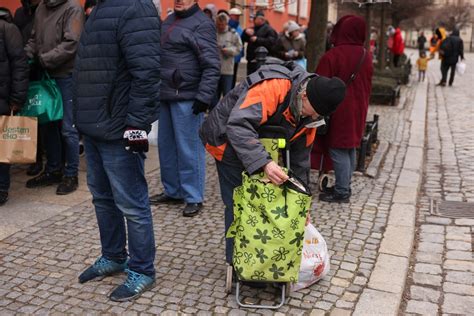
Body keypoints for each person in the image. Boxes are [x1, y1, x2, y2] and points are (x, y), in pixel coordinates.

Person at [200, 59, 346, 266]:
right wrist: (265, 164)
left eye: (317, 115)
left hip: (260, 144)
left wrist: (302, 204)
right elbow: (238, 126)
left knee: (267, 203)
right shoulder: (275, 86)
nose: (311, 117)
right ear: (303, 95)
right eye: (310, 111)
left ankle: (263, 261)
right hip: (225, 140)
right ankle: (237, 263)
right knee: (238, 203)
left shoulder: (312, 115)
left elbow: (300, 162)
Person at [73, 0, 160, 302]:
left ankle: (142, 269)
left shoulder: (136, 7)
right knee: (102, 198)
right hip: (95, 124)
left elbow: (147, 73)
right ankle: (113, 255)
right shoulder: (100, 7)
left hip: (119, 126)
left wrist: (136, 124)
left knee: (132, 204)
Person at [150, 0, 220, 217]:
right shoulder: (169, 20)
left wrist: (204, 96)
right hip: (166, 94)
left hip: (187, 96)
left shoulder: (202, 24)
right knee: (167, 147)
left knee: (189, 149)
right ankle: (173, 191)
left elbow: (212, 64)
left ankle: (193, 196)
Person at [311, 15, 373, 203]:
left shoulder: (333, 55)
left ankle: (342, 191)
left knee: (338, 148)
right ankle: (344, 185)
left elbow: (318, 85)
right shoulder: (366, 55)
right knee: (350, 148)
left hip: (339, 109)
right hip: (359, 107)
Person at [24, 0, 84, 195]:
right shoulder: (41, 7)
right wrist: (24, 57)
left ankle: (70, 174)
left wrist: (44, 59)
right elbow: (34, 38)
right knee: (47, 123)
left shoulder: (73, 8)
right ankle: (53, 169)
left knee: (68, 128)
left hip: (66, 75)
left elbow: (71, 42)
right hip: (45, 74)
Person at [0, 8, 29, 206]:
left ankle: (2, 188)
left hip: (2, 99)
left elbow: (20, 64)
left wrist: (17, 98)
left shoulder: (7, 29)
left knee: (2, 149)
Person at [13, 0, 44, 177]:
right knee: (29, 116)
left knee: (43, 114)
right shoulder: (19, 13)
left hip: (42, 67)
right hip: (24, 68)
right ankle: (35, 157)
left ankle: (49, 159)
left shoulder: (44, 10)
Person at [216, 12, 242, 103]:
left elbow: (239, 48)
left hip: (227, 69)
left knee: (226, 95)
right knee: (214, 96)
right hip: (214, 69)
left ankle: (224, 114)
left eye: (222, 25)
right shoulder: (213, 33)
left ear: (226, 23)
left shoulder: (233, 34)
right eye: (218, 24)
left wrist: (228, 50)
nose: (220, 27)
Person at [241, 10, 278, 75]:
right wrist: (245, 32)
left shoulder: (269, 30)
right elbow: (243, 39)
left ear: (261, 19)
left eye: (255, 19)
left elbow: (272, 42)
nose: (254, 20)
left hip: (263, 60)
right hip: (251, 59)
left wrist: (257, 40)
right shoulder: (253, 28)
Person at [228, 7, 244, 88]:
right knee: (228, 78)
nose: (238, 17)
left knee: (233, 78)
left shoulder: (240, 28)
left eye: (238, 16)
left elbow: (241, 42)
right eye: (236, 15)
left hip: (237, 57)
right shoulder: (227, 26)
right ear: (230, 16)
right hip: (227, 57)